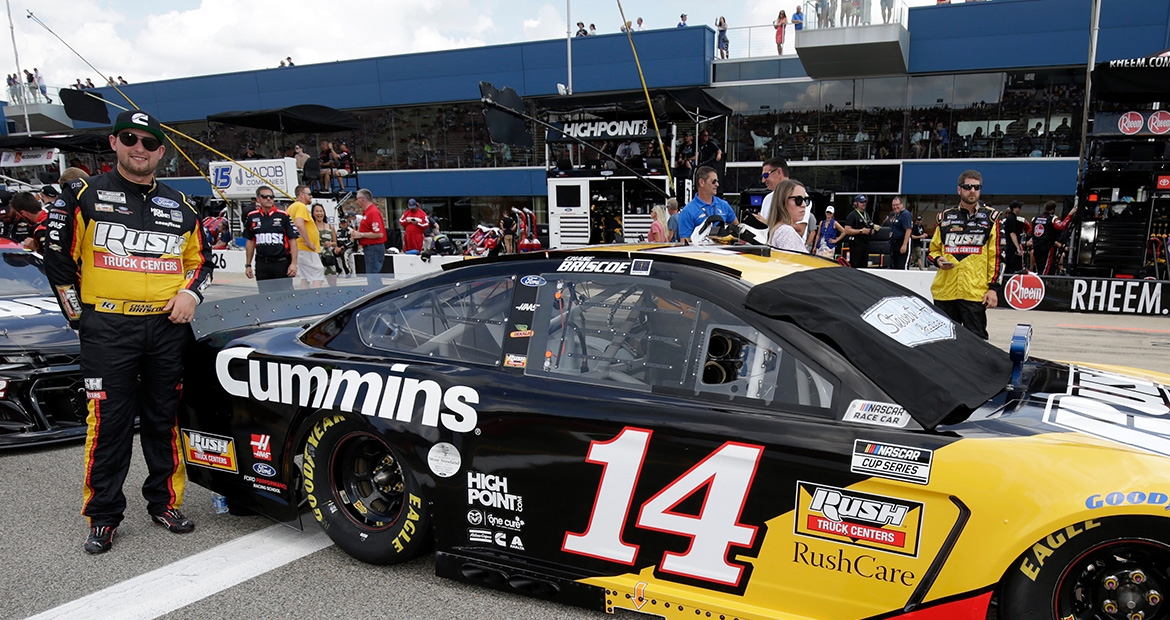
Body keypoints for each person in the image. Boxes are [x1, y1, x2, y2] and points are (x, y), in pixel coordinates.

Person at [43, 109, 213, 554]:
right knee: (108, 424)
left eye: (150, 142)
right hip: (107, 328)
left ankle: (165, 502)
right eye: (130, 139)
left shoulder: (181, 205)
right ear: (115, 143)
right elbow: (59, 265)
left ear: (162, 151)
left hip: (166, 329)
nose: (140, 148)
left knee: (164, 419)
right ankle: (103, 515)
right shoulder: (83, 195)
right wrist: (82, 319)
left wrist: (191, 296)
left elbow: (202, 263)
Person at [928, 170, 999, 340]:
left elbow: (996, 257)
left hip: (974, 292)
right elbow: (933, 250)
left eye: (976, 187)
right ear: (959, 189)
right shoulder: (944, 217)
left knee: (976, 342)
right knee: (941, 341)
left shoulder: (991, 218)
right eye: (968, 187)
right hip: (945, 291)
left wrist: (993, 289)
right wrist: (938, 260)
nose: (972, 191)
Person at [243, 185, 299, 289]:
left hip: (281, 262)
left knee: (285, 295)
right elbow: (250, 242)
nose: (268, 199)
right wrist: (248, 265)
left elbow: (293, 240)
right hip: (262, 264)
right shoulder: (252, 216)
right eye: (264, 196)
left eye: (271, 196)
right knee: (265, 296)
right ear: (258, 199)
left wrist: (294, 264)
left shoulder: (283, 216)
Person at [677, 166, 737, 243]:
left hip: (723, 254)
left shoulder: (724, 205)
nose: (717, 184)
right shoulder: (688, 211)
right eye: (714, 181)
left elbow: (737, 228)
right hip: (701, 254)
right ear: (702, 182)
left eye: (717, 181)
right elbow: (685, 243)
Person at [287, 185, 323, 288]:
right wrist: (308, 242)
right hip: (305, 247)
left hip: (299, 247)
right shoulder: (300, 206)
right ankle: (314, 299)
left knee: (306, 277)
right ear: (301, 195)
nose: (311, 196)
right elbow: (299, 224)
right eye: (309, 194)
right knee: (318, 274)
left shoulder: (291, 207)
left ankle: (305, 299)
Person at [1030, 200, 1076, 275]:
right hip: (1047, 247)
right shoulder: (1052, 219)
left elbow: (1030, 231)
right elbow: (1062, 225)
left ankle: (1040, 280)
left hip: (1036, 246)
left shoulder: (1035, 218)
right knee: (1046, 266)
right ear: (1052, 210)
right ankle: (1044, 282)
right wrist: (1070, 214)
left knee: (1039, 267)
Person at [351, 189, 387, 282]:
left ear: (362, 199)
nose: (357, 201)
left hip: (374, 248)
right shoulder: (368, 212)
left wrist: (361, 235)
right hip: (370, 248)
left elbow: (379, 233)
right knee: (372, 276)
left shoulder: (372, 212)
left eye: (357, 199)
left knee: (373, 276)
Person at [766, 179, 809, 253]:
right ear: (783, 202)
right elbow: (795, 263)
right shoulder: (786, 232)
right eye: (798, 200)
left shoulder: (778, 229)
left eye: (806, 200)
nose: (804, 205)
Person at [841, 194, 875, 268]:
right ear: (856, 203)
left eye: (864, 202)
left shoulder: (866, 214)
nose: (864, 204)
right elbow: (847, 230)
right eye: (861, 202)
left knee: (864, 265)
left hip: (865, 244)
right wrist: (860, 231)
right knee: (856, 264)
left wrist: (871, 231)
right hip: (856, 244)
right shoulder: (852, 215)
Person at [755, 156, 789, 227]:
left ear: (778, 172)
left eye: (766, 175)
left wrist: (767, 224)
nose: (763, 180)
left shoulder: (799, 196)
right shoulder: (768, 198)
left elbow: (799, 230)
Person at [312, 203, 339, 286]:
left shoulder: (330, 227)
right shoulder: (311, 226)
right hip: (316, 256)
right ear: (313, 213)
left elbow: (335, 242)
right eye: (317, 211)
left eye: (321, 211)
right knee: (317, 280)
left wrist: (330, 243)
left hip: (328, 256)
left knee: (332, 281)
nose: (319, 213)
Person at [887, 195, 912, 269]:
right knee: (894, 266)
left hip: (902, 242)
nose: (895, 207)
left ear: (902, 204)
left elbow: (908, 230)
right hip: (895, 244)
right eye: (893, 205)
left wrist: (904, 245)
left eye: (897, 205)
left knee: (902, 266)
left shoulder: (905, 214)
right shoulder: (897, 215)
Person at [1002, 200, 1026, 276]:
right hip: (1011, 246)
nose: (1020, 209)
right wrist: (1017, 247)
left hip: (1010, 245)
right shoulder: (1012, 218)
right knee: (1013, 266)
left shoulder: (1012, 218)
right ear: (1015, 208)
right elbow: (1012, 233)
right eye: (1019, 207)